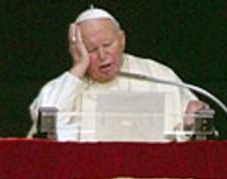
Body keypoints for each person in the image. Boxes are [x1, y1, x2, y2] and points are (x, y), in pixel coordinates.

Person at [29, 7, 207, 140]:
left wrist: (190, 122)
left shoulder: (157, 74)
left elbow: (187, 136)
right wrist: (79, 66)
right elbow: (45, 122)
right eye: (91, 49)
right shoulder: (68, 85)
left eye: (107, 45)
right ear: (77, 50)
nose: (102, 56)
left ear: (122, 40)